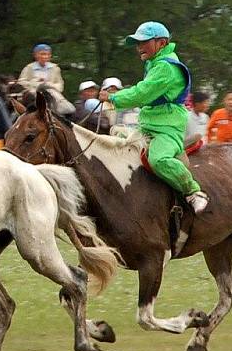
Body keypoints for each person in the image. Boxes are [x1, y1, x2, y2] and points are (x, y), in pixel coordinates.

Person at [98, 21, 208, 213]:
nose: (139, 47)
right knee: (116, 135)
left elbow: (142, 94)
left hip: (167, 128)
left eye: (144, 42)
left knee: (158, 160)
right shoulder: (153, 63)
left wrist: (114, 98)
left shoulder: (166, 67)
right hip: (148, 124)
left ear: (162, 43)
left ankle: (193, 191)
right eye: (137, 43)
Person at [17, 43, 73, 116]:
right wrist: (35, 83)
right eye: (42, 54)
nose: (45, 57)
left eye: (47, 54)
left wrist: (49, 85)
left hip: (50, 92)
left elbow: (60, 84)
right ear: (36, 55)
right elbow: (21, 82)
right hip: (34, 92)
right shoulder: (29, 68)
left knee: (62, 104)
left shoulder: (54, 68)